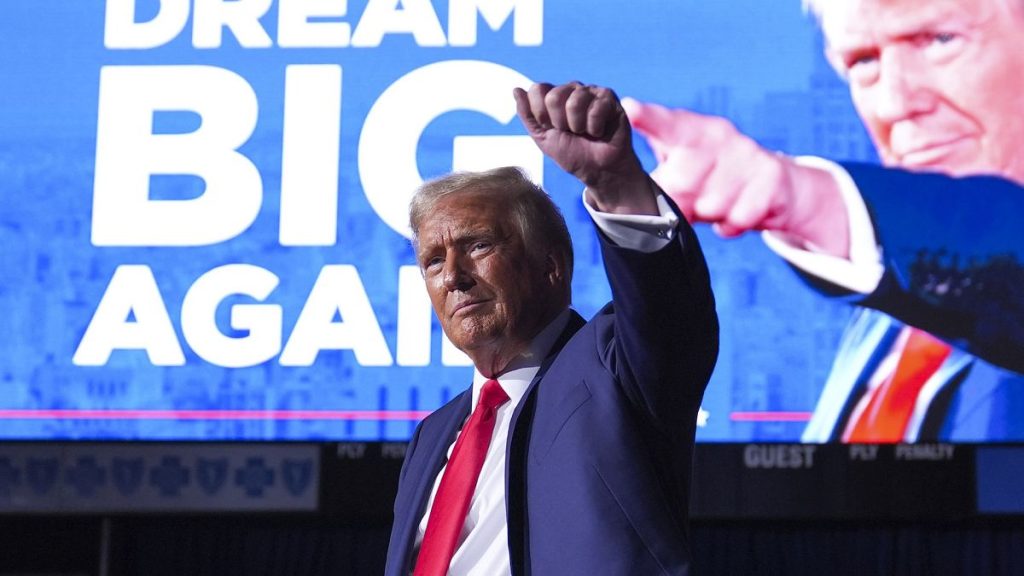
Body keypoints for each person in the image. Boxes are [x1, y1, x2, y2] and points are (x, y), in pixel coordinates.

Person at [624, 0, 1024, 442]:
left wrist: (800, 197)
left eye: (939, 40)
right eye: (864, 61)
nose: (893, 104)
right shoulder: (884, 301)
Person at [383, 82, 718, 575]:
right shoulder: (432, 436)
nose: (453, 276)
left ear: (551, 267)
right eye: (434, 262)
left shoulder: (614, 369)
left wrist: (617, 185)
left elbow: (669, 313)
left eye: (478, 246)